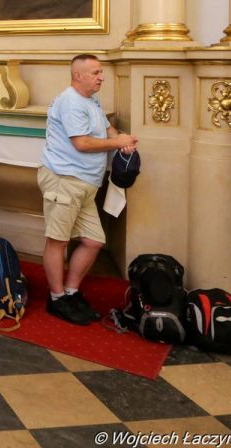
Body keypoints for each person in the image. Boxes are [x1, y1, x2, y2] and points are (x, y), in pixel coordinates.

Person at [38, 54, 138, 326]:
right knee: (58, 241)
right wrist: (118, 143)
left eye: (101, 72)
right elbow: (81, 143)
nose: (101, 77)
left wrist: (121, 140)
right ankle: (57, 298)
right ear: (78, 75)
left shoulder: (91, 100)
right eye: (95, 73)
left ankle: (70, 293)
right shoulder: (71, 102)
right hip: (64, 178)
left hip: (85, 182)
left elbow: (107, 128)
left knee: (94, 241)